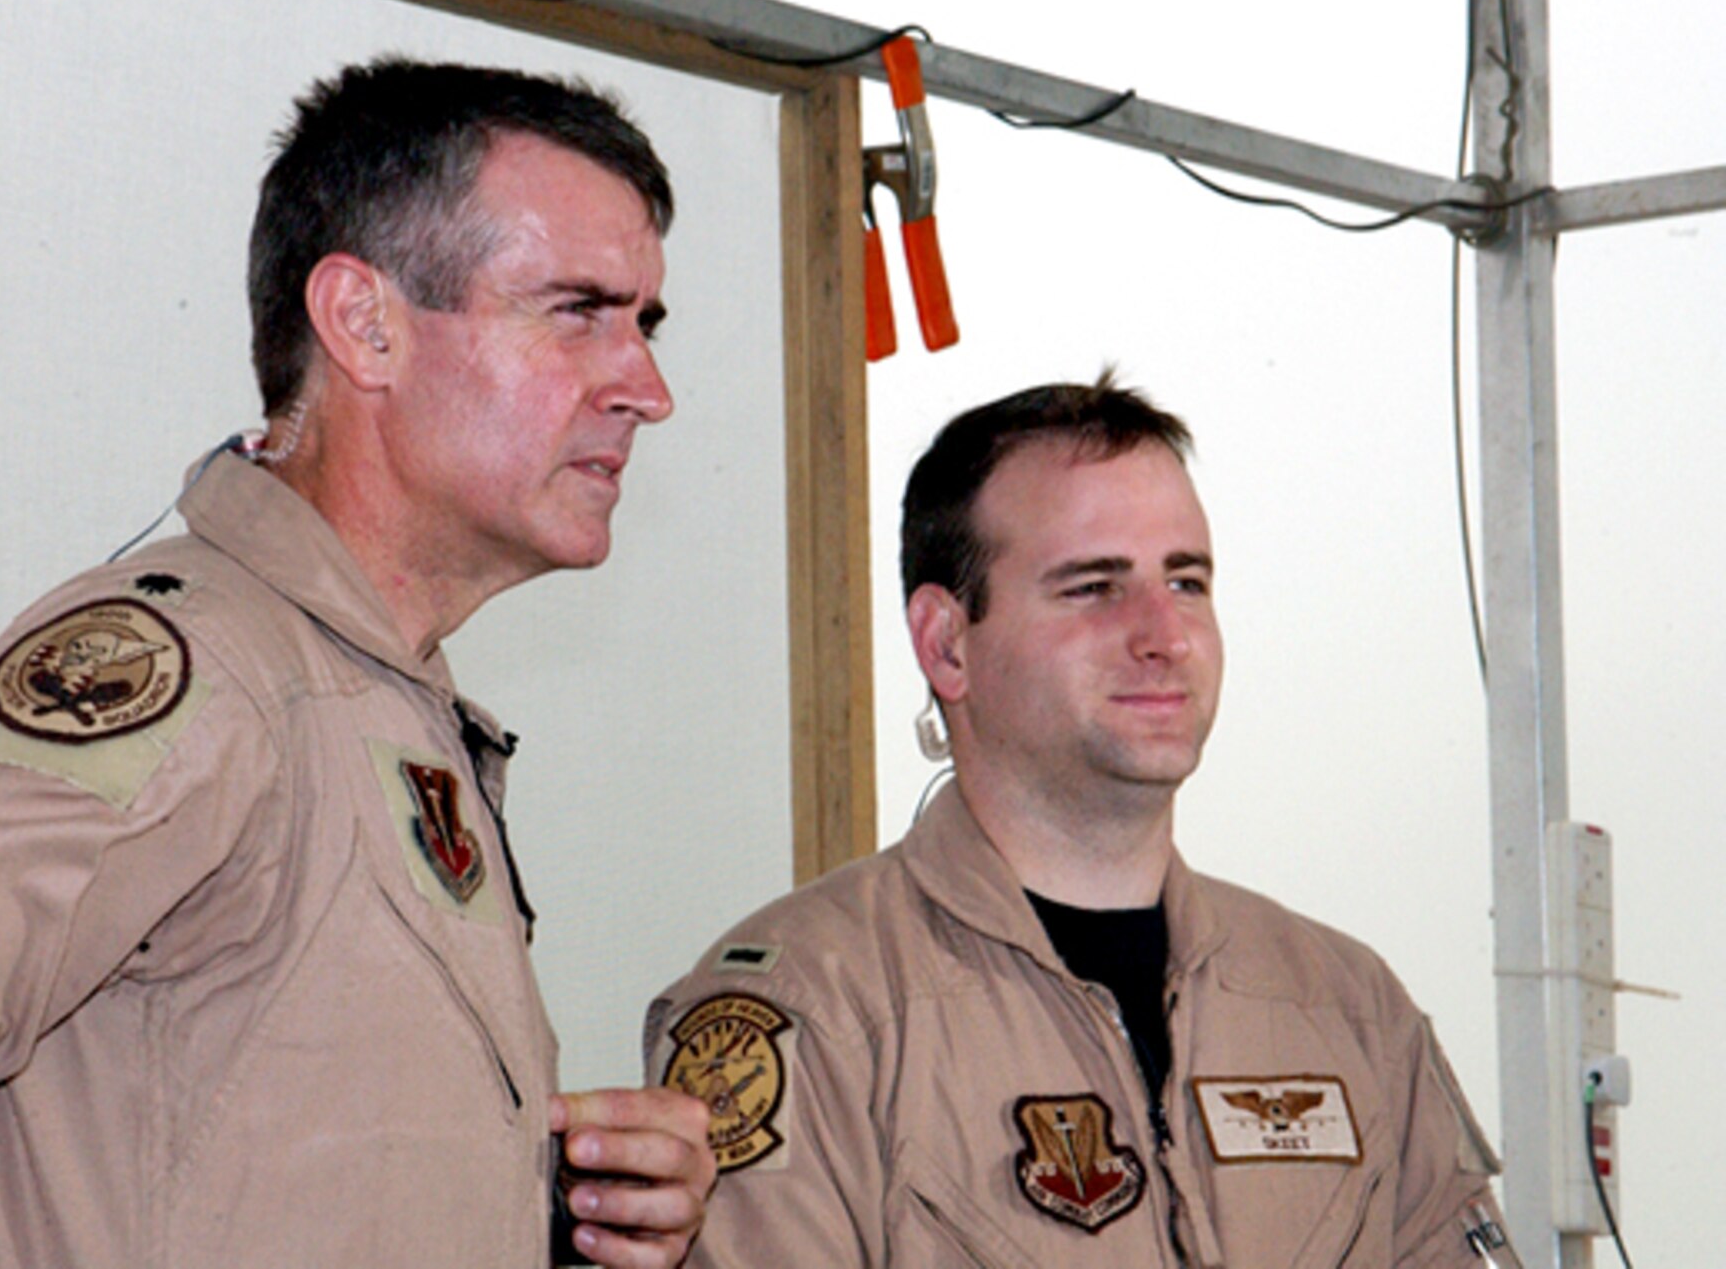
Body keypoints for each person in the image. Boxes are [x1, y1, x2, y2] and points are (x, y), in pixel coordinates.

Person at [0, 57, 713, 1268]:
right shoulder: (210, 673)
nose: (646, 389)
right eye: (578, 311)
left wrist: (538, 1210)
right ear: (363, 322)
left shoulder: (377, 701)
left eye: (645, 324)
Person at [646, 374, 1519, 1266]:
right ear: (947, 643)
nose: (1163, 634)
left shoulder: (1345, 1006)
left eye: (1186, 581)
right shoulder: (811, 1012)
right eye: (1094, 586)